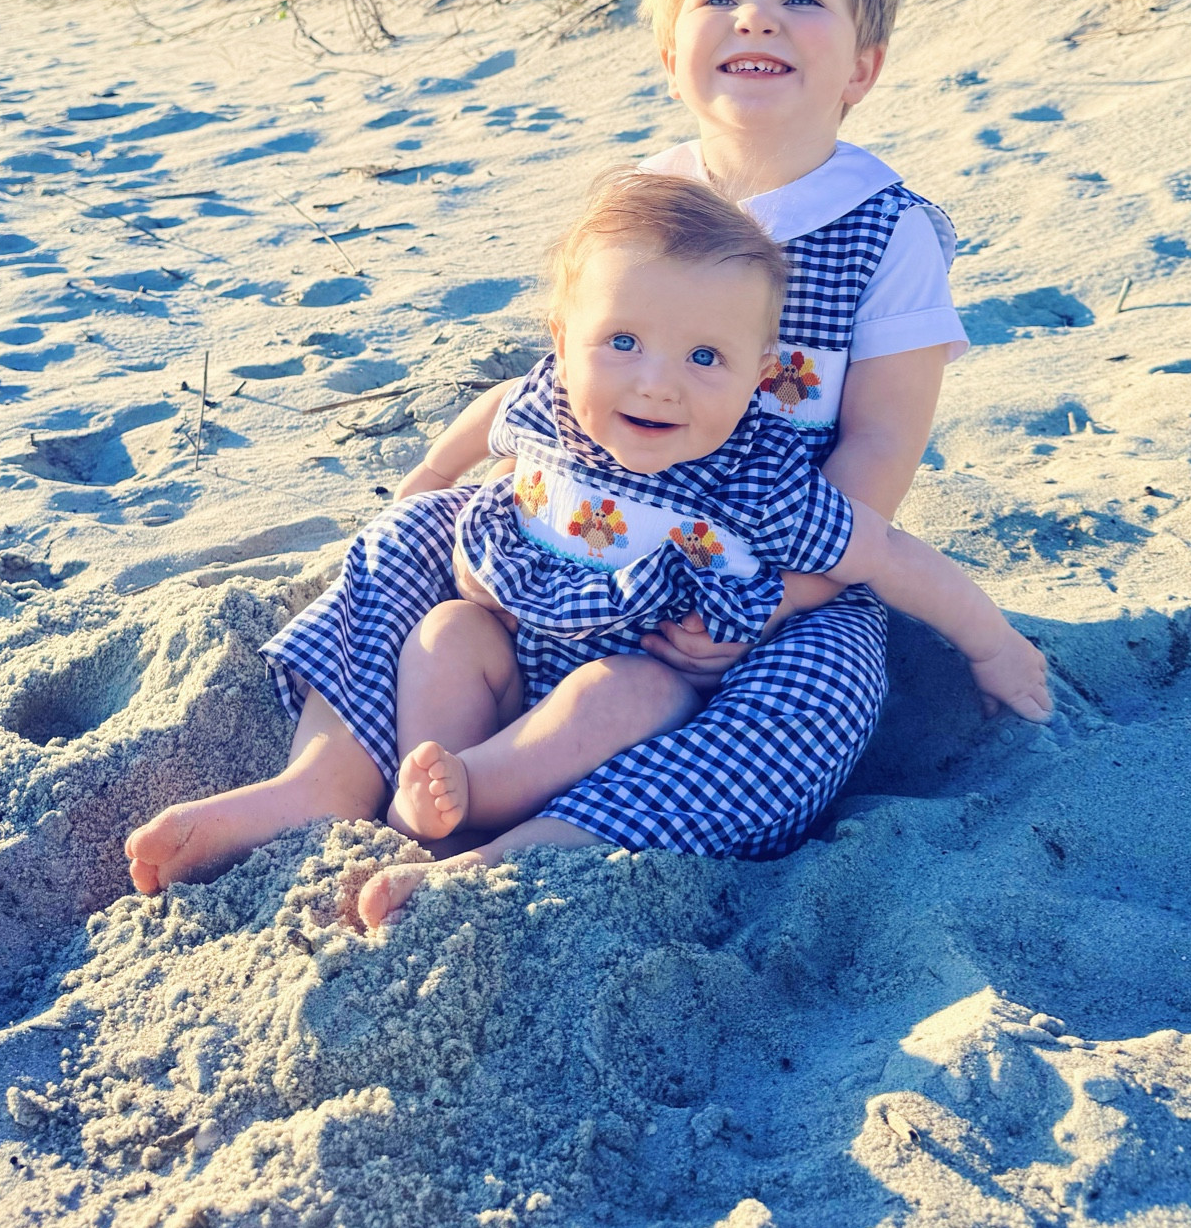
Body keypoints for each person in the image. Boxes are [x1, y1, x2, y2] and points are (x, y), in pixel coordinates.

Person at [123, 0, 986, 899]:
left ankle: (530, 851)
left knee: (827, 684)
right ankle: (324, 779)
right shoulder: (643, 196)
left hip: (746, 580)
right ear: (672, 50)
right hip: (559, 537)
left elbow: (879, 453)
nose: (756, 14)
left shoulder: (885, 232)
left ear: (864, 62)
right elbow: (546, 380)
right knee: (404, 536)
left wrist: (768, 600)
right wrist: (431, 480)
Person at [356, 171, 1047, 925]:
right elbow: (493, 407)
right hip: (513, 658)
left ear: (758, 376)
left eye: (704, 359)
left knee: (624, 691)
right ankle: (429, 796)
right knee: (446, 633)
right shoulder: (549, 402)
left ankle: (497, 842)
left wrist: (992, 646)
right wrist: (431, 474)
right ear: (561, 341)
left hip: (637, 693)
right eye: (623, 343)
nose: (657, 385)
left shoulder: (756, 479)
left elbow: (885, 554)